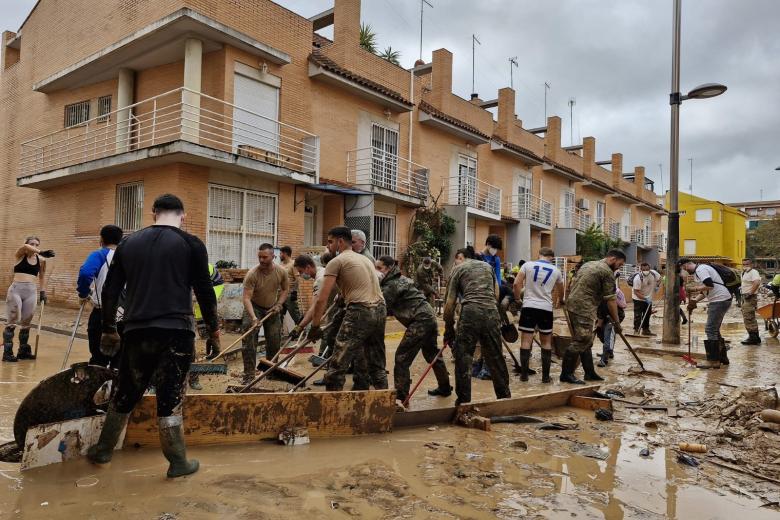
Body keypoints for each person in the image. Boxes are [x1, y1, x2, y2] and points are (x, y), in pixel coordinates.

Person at [87, 194, 220, 478]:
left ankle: (103, 451)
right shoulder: (191, 244)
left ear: (153, 213)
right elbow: (205, 291)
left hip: (135, 331)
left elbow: (110, 290)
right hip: (176, 332)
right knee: (169, 396)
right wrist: (213, 331)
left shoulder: (128, 243)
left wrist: (109, 328)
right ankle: (178, 462)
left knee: (126, 391)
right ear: (182, 215)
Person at [308, 226, 387, 391]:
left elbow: (321, 299)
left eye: (330, 242)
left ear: (340, 241)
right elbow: (358, 284)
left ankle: (333, 407)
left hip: (360, 310)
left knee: (338, 362)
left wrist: (315, 327)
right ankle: (381, 403)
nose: (328, 246)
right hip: (380, 309)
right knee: (375, 361)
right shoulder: (365, 259)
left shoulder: (336, 261)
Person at [376, 256, 451, 404]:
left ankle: (401, 397)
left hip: (420, 320)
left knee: (401, 358)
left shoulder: (391, 285)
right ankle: (445, 387)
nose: (377, 271)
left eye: (380, 268)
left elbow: (381, 308)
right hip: (428, 316)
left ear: (389, 268)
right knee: (432, 354)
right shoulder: (401, 279)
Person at [443, 252, 510, 406]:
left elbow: (449, 304)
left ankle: (464, 402)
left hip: (470, 312)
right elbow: (496, 294)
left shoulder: (458, 269)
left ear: (461, 259)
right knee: (495, 357)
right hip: (491, 311)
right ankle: (505, 399)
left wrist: (449, 329)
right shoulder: (488, 267)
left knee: (463, 357)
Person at [563, 250, 625, 384]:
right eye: (620, 264)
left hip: (573, 304)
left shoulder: (589, 264)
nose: (619, 267)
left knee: (586, 340)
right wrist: (617, 322)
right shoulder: (607, 272)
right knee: (582, 340)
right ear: (613, 259)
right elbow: (611, 300)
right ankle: (566, 374)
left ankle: (589, 372)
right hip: (583, 307)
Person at [513, 247, 564, 383]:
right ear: (552, 258)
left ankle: (524, 375)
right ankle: (545, 377)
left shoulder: (527, 265)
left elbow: (516, 283)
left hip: (529, 306)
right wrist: (561, 300)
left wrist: (518, 299)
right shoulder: (556, 271)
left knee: (525, 341)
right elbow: (561, 289)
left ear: (539, 255)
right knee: (546, 342)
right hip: (546, 308)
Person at [240, 243, 289, 383]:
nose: (261, 260)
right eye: (259, 257)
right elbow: (246, 298)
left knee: (274, 341)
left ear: (273, 256)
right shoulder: (252, 274)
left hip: (272, 308)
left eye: (265, 257)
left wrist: (279, 304)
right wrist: (254, 318)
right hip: (253, 308)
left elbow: (285, 289)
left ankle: (270, 371)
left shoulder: (281, 272)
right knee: (248, 341)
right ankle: (248, 375)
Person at [76, 225, 124, 368]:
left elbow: (85, 273)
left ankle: (99, 387)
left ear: (101, 240)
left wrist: (83, 293)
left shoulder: (100, 255)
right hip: (126, 316)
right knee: (120, 360)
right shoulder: (130, 256)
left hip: (102, 314)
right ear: (120, 241)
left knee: (99, 358)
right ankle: (115, 388)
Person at [3, 236, 54, 362]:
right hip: (16, 290)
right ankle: (7, 353)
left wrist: (43, 292)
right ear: (27, 244)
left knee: (27, 321)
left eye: (37, 244)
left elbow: (41, 277)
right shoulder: (20, 254)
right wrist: (41, 251)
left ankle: (23, 351)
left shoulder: (41, 260)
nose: (35, 246)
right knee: (13, 320)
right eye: (32, 244)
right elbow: (25, 247)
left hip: (31, 292)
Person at [680, 259, 732, 369]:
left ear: (686, 264)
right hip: (721, 299)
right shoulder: (698, 272)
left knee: (710, 329)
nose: (684, 271)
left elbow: (709, 285)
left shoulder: (701, 269)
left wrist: (694, 288)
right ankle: (722, 357)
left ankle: (713, 361)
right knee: (714, 330)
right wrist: (694, 301)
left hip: (719, 300)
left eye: (683, 268)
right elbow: (705, 292)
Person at [189, 263, 225, 390]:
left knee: (205, 310)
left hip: (215, 286)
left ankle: (215, 347)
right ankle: (207, 334)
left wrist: (213, 327)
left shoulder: (198, 264)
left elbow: (203, 290)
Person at [596, 271, 627, 367]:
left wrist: (600, 323)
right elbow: (599, 311)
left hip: (615, 316)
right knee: (601, 334)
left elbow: (622, 306)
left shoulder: (614, 292)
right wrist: (599, 323)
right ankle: (609, 351)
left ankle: (604, 360)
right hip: (604, 315)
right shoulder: (599, 293)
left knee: (608, 335)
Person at [629, 262, 661, 336]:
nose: (646, 271)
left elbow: (659, 278)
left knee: (647, 314)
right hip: (637, 298)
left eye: (647, 269)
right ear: (641, 269)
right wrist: (645, 298)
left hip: (648, 297)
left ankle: (646, 330)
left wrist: (657, 285)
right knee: (638, 315)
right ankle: (636, 330)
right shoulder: (638, 278)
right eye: (644, 270)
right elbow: (636, 292)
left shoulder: (653, 273)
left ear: (650, 269)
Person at [740, 258, 762, 345]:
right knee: (747, 316)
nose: (745, 266)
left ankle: (753, 338)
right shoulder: (744, 273)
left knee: (749, 317)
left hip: (750, 297)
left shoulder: (753, 272)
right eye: (744, 264)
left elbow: (757, 283)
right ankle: (754, 337)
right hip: (745, 296)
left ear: (751, 264)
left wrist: (750, 293)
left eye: (747, 264)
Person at [279, 246, 302, 326]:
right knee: (278, 315)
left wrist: (294, 292)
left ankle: (301, 333)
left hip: (289, 295)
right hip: (280, 295)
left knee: (295, 316)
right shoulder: (280, 265)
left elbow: (298, 279)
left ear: (285, 253)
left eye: (281, 253)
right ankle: (279, 335)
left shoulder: (293, 264)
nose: (279, 255)